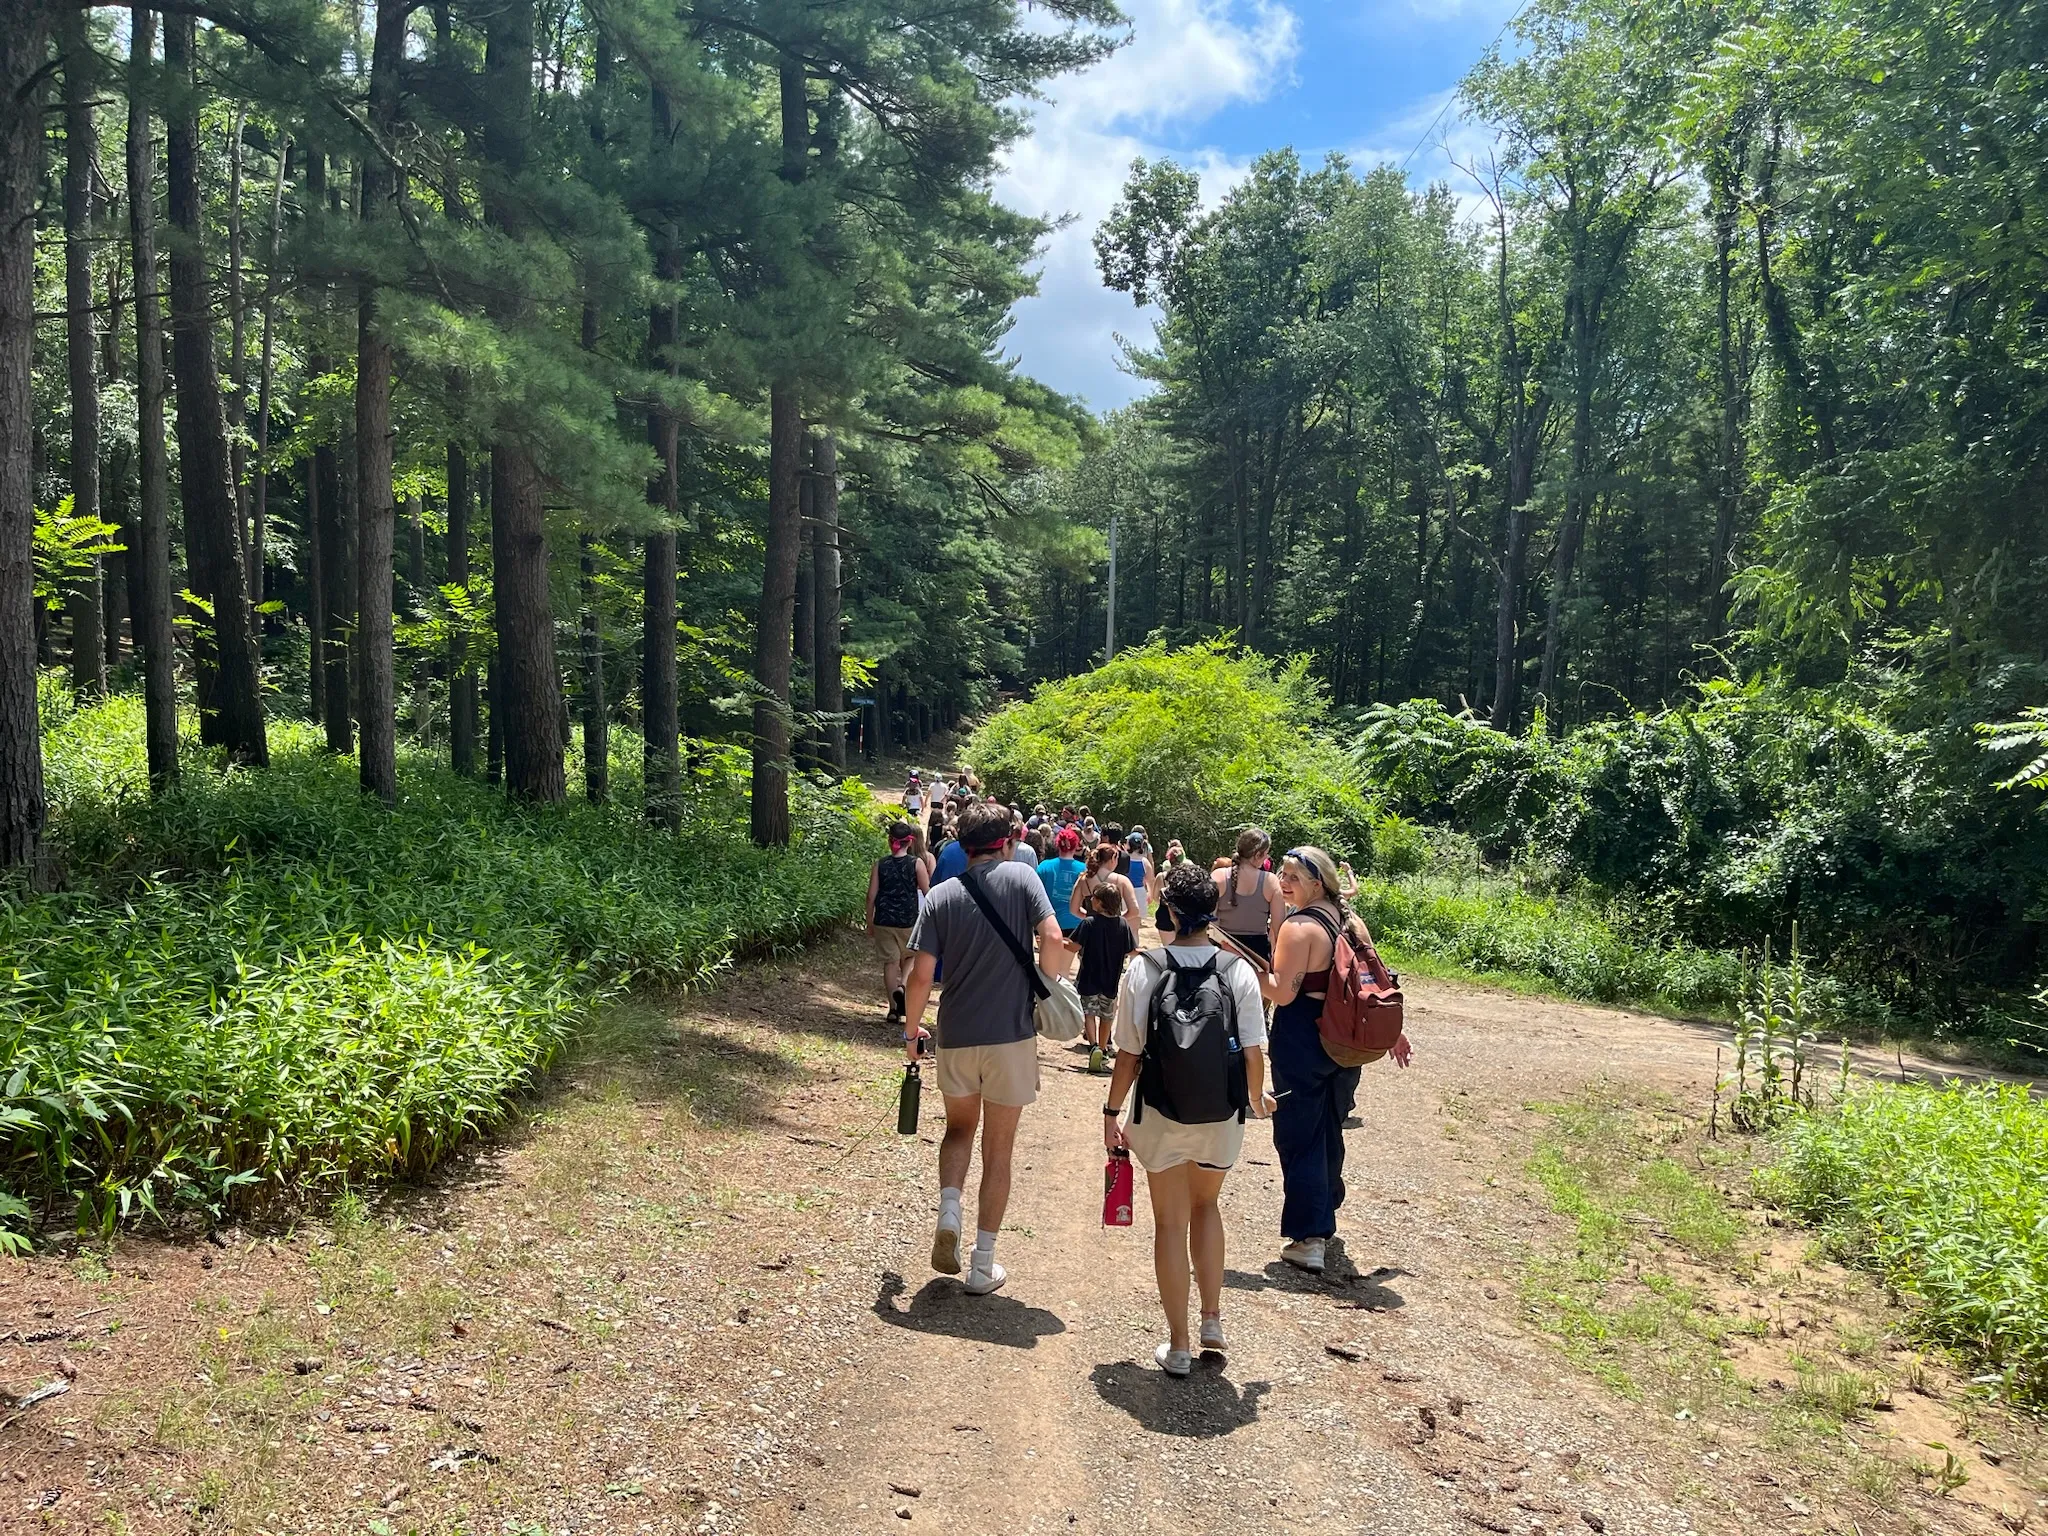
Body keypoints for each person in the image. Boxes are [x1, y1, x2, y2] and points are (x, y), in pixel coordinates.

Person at [1103, 861, 1272, 1376]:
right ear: (1213, 912)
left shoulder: (1144, 969)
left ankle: (1178, 1345)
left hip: (1160, 1110)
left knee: (1170, 1223)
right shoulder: (1237, 970)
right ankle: (1212, 1320)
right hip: (1221, 1112)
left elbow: (1129, 1053)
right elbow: (1252, 1047)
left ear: (1170, 911)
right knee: (1207, 1208)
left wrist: (1112, 1113)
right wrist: (1258, 1097)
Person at [900, 801, 1063, 1296]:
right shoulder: (1023, 878)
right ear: (1008, 841)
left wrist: (911, 1036)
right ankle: (982, 1264)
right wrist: (1047, 984)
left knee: (958, 1130)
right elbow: (1052, 937)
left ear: (961, 845)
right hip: (1010, 1035)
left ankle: (950, 1208)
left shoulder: (942, 895)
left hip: (956, 1033)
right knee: (999, 1148)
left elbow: (921, 975)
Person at [1260, 845, 1412, 1275]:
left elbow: (1283, 993)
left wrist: (1247, 969)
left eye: (1292, 876)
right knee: (1329, 1125)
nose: (1283, 882)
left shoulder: (1299, 927)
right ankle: (1325, 1210)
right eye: (1282, 874)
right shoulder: (1350, 919)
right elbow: (1372, 980)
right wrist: (1393, 1031)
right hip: (1345, 1035)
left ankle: (1309, 1238)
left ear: (1317, 882)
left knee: (1299, 1131)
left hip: (1304, 1034)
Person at [1067, 883, 1138, 1073]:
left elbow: (1073, 947)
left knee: (1089, 1013)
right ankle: (1104, 1047)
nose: (1091, 900)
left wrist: (1059, 942)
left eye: (1094, 898)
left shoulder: (1089, 923)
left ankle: (1093, 1047)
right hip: (1111, 981)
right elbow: (1131, 950)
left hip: (1089, 977)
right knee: (1106, 1017)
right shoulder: (1123, 925)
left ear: (1101, 903)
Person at [868, 822, 930, 1025]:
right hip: (908, 919)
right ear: (909, 842)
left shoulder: (880, 864)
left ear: (890, 841)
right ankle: (903, 987)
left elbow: (871, 895)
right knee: (910, 957)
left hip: (884, 919)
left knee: (890, 962)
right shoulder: (916, 864)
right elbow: (926, 891)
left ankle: (893, 1009)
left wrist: (870, 920)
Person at [1214, 828, 1282, 968]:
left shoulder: (1217, 876)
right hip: (1257, 954)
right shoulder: (1271, 881)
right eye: (1266, 854)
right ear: (1258, 855)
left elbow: (1209, 921)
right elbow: (1278, 928)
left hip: (1222, 950)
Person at [1072, 844, 1143, 946]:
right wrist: (1116, 919)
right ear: (1114, 858)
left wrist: (1089, 917)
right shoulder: (1122, 880)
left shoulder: (1083, 879)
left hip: (1091, 933)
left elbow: (1073, 909)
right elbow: (1134, 910)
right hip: (1115, 933)